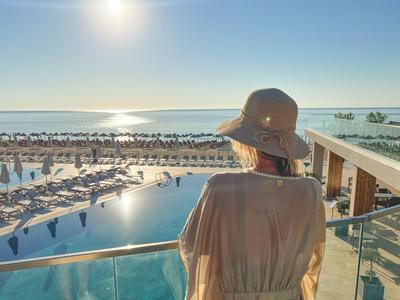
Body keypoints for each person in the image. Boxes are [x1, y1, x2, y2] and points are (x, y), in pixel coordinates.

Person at [178, 88, 326, 300]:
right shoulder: (311, 190)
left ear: (246, 139)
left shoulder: (220, 188)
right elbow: (314, 256)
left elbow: (191, 246)